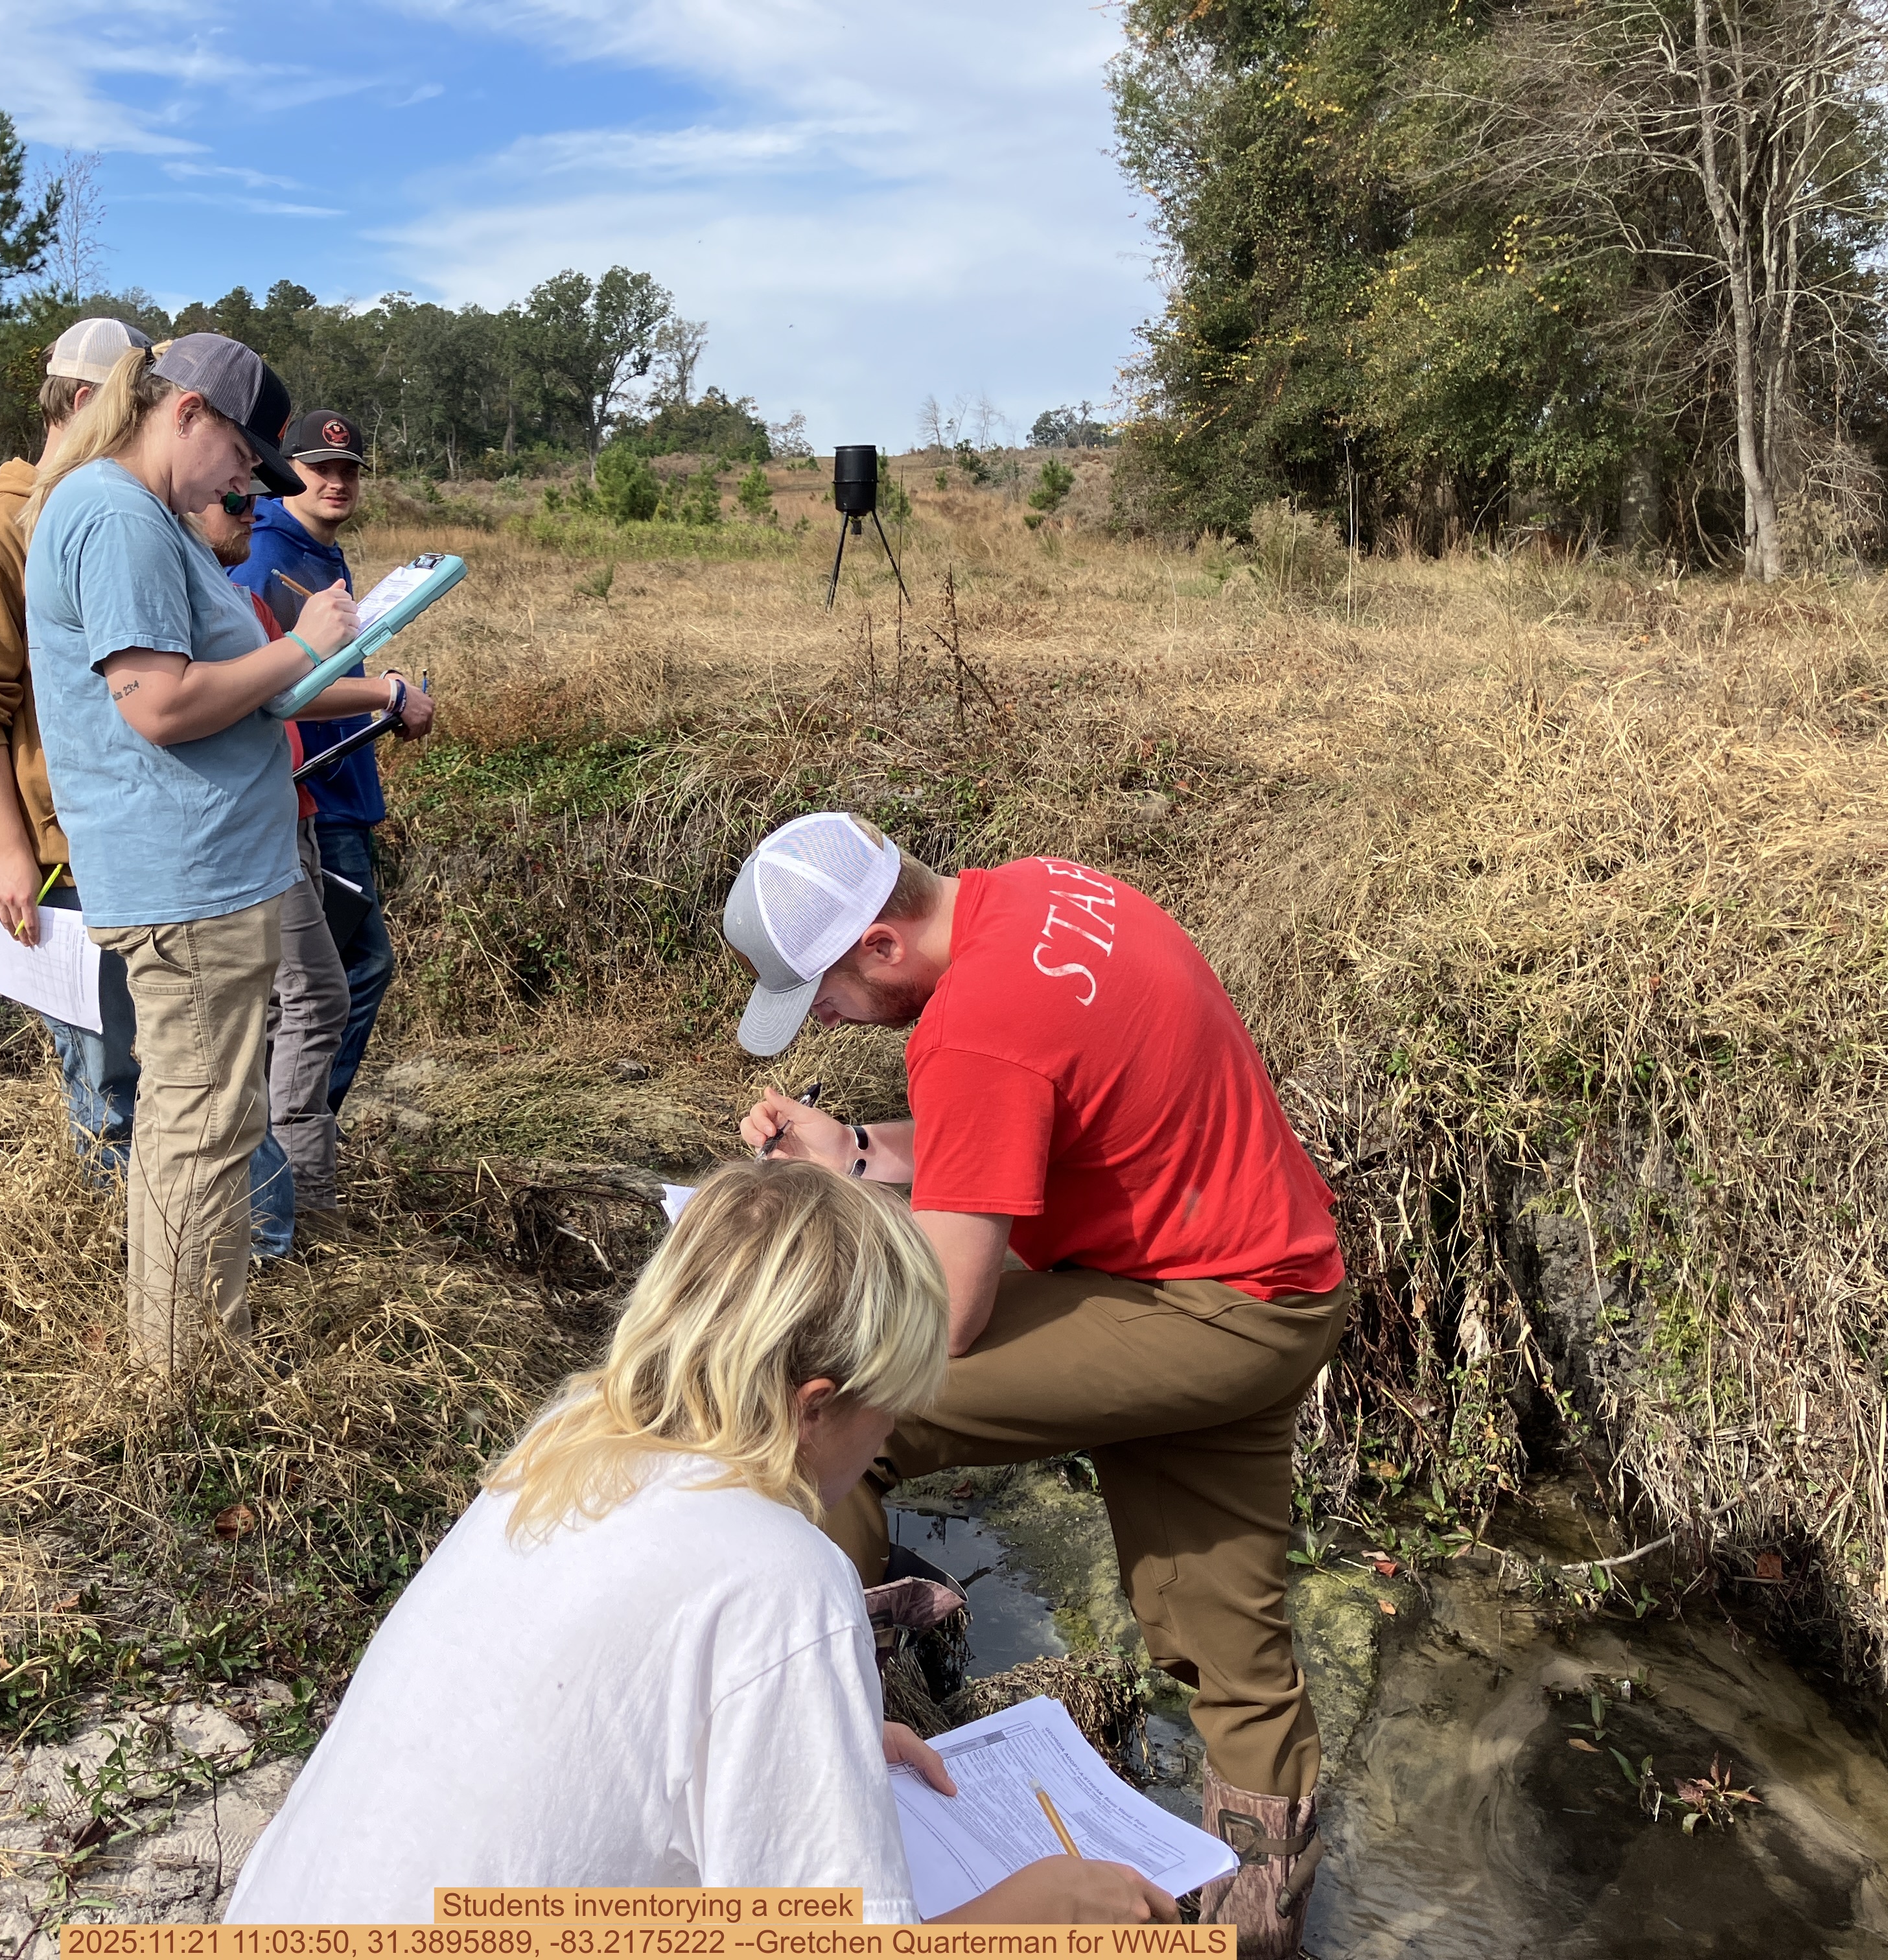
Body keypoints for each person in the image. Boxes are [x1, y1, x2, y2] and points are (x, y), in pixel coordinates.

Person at [227, 1159, 1180, 1924]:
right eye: (888, 1412)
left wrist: (826, 1740)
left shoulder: (564, 1447)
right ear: (817, 1410)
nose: (891, 1440)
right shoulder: (780, 1574)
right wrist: (1033, 1914)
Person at [724, 813, 1353, 1959]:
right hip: (1270, 1282)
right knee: (1229, 1644)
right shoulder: (1042, 893)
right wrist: (855, 1149)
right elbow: (1012, 1120)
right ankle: (1256, 1939)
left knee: (841, 1419)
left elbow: (950, 1312)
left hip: (1185, 1301)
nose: (818, 1018)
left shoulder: (969, 1027)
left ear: (876, 943)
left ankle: (831, 1747)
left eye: (818, 991)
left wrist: (808, 1251)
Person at [21, 332, 367, 1371]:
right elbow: (160, 705)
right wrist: (305, 644)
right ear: (186, 415)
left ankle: (178, 1349)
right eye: (242, 458)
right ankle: (188, 1368)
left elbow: (213, 687)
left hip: (208, 873)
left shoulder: (133, 516)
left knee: (196, 1126)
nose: (245, 484)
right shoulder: (118, 516)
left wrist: (310, 661)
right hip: (188, 881)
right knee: (201, 1133)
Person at [0, 317, 152, 1180]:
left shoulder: (108, 513)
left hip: (132, 838)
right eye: (138, 411)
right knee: (107, 1076)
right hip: (65, 863)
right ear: (89, 403)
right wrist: (11, 855)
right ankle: (126, 1260)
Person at [191, 486, 428, 1239]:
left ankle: (287, 1203)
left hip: (291, 815)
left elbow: (287, 696)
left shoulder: (246, 582)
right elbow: (232, 698)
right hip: (259, 823)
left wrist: (375, 691)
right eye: (235, 497)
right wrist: (375, 685)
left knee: (302, 999)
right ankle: (284, 1215)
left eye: (255, 497)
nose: (248, 510)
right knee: (309, 999)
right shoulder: (238, 575)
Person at [231, 410, 410, 1112]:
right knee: (344, 976)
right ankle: (297, 1136)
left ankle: (285, 1138)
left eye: (348, 470)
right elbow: (273, 685)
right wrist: (386, 694)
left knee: (316, 984)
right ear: (284, 472)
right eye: (319, 468)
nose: (337, 482)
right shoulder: (264, 553)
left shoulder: (316, 549)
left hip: (338, 786)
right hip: (313, 796)